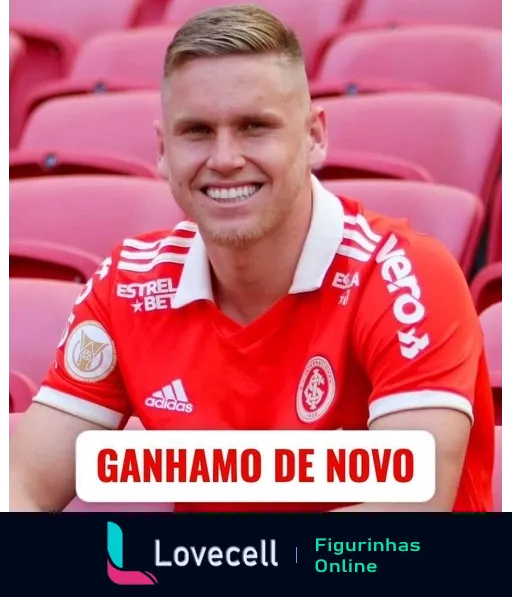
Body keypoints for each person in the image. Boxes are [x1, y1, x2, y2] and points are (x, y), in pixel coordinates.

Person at [8, 4, 494, 513]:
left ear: (314, 137)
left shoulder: (408, 275)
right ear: (162, 149)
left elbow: (406, 515)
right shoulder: (129, 282)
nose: (223, 159)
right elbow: (25, 484)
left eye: (254, 127)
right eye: (196, 131)